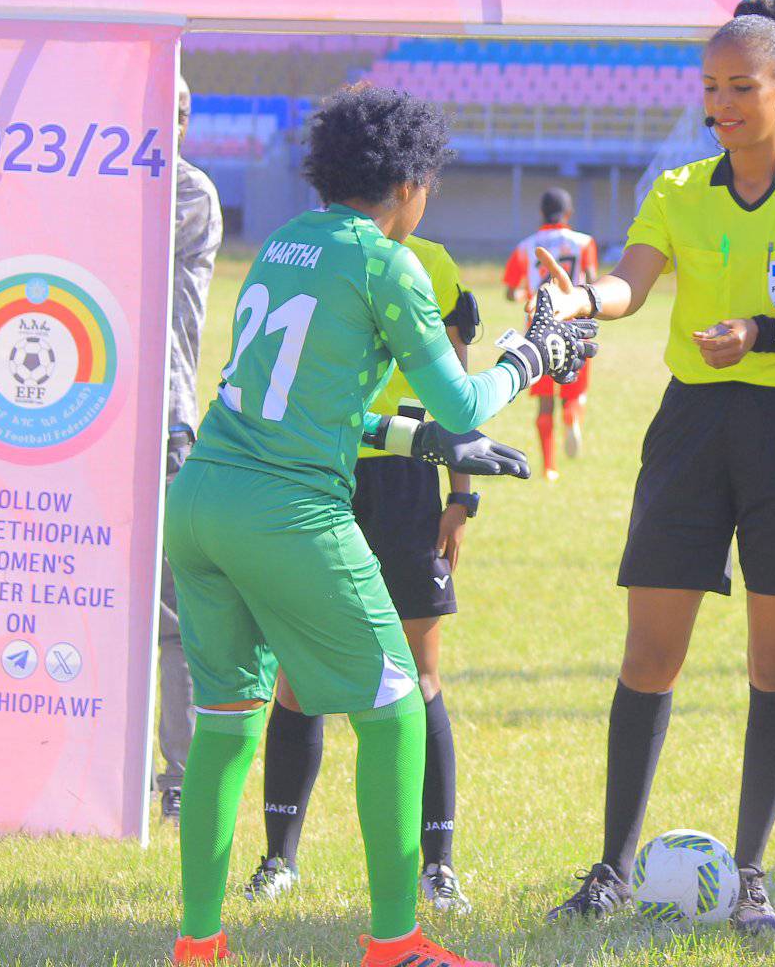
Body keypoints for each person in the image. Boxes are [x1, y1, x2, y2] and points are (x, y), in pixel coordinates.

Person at [165, 84, 592, 967]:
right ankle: (395, 943)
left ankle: (199, 943)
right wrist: (533, 355)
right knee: (397, 703)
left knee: (227, 719)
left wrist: (415, 438)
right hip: (286, 509)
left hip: (204, 498)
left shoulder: (282, 245)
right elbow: (468, 396)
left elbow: (294, 402)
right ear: (408, 183)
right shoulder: (386, 261)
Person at [537, 0, 775, 935]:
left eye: (740, 88)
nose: (722, 105)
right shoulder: (681, 188)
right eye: (711, 89)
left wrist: (773, 332)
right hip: (691, 429)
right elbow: (633, 284)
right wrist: (583, 301)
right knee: (651, 653)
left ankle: (755, 875)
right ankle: (610, 869)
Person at [246, 233, 486, 911]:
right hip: (322, 474)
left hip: (409, 482)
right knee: (298, 670)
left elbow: (457, 390)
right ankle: (278, 862)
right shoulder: (310, 252)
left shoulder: (434, 264)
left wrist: (460, 495)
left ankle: (436, 865)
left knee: (419, 670)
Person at [157, 74, 224, 823]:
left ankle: (178, 779)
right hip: (87, 419)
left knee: (175, 611)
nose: (167, 125)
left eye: (178, 112)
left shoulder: (186, 190)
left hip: (164, 419)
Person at [504, 188, 600, 479]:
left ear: (541, 213)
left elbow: (511, 291)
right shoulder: (584, 243)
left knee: (545, 399)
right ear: (569, 214)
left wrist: (526, 294)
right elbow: (592, 282)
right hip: (573, 324)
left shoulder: (526, 247)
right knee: (573, 391)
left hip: (538, 328)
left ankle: (549, 468)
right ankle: (572, 418)